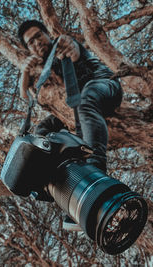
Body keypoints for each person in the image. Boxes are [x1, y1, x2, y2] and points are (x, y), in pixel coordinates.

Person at [17, 20, 123, 231]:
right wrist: (25, 75)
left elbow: (76, 52)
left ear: (47, 33)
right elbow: (25, 96)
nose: (37, 43)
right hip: (74, 107)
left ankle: (96, 179)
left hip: (103, 86)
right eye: (31, 42)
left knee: (86, 97)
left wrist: (74, 52)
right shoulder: (41, 66)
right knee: (43, 131)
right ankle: (65, 190)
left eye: (39, 36)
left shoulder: (62, 43)